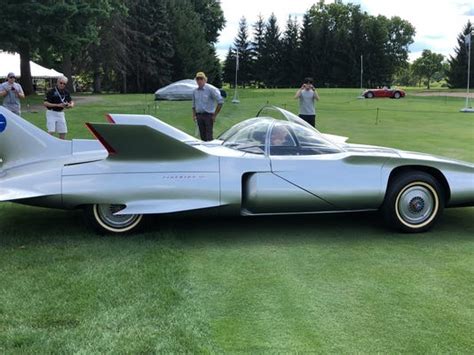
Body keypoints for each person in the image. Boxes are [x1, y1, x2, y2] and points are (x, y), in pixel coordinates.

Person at [192, 71, 224, 141]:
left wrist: (214, 115)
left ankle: (210, 150)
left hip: (208, 115)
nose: (199, 81)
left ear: (205, 80)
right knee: (202, 136)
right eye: (198, 79)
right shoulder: (195, 91)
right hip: (199, 115)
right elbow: (194, 105)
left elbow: (220, 101)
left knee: (209, 136)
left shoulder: (211, 89)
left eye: (201, 79)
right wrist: (194, 115)